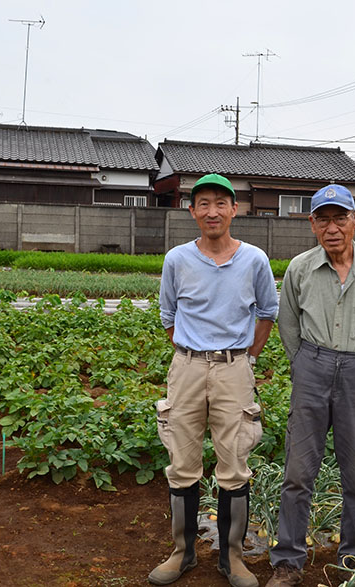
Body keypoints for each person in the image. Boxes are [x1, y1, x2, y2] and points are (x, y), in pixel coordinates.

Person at [266, 184, 355, 586]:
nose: (332, 227)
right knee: (298, 471)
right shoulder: (300, 268)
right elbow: (287, 323)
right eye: (322, 218)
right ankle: (288, 561)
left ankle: (354, 559)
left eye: (340, 217)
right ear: (312, 224)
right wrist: (306, 363)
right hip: (312, 367)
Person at [150, 173, 278, 587]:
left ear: (234, 210)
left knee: (234, 464)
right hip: (186, 367)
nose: (212, 211)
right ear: (192, 211)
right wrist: (191, 354)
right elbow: (168, 316)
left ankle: (233, 558)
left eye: (220, 203)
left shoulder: (254, 259)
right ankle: (181, 553)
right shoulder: (177, 259)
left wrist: (245, 358)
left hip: (233, 369)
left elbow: (267, 313)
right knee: (182, 464)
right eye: (203, 203)